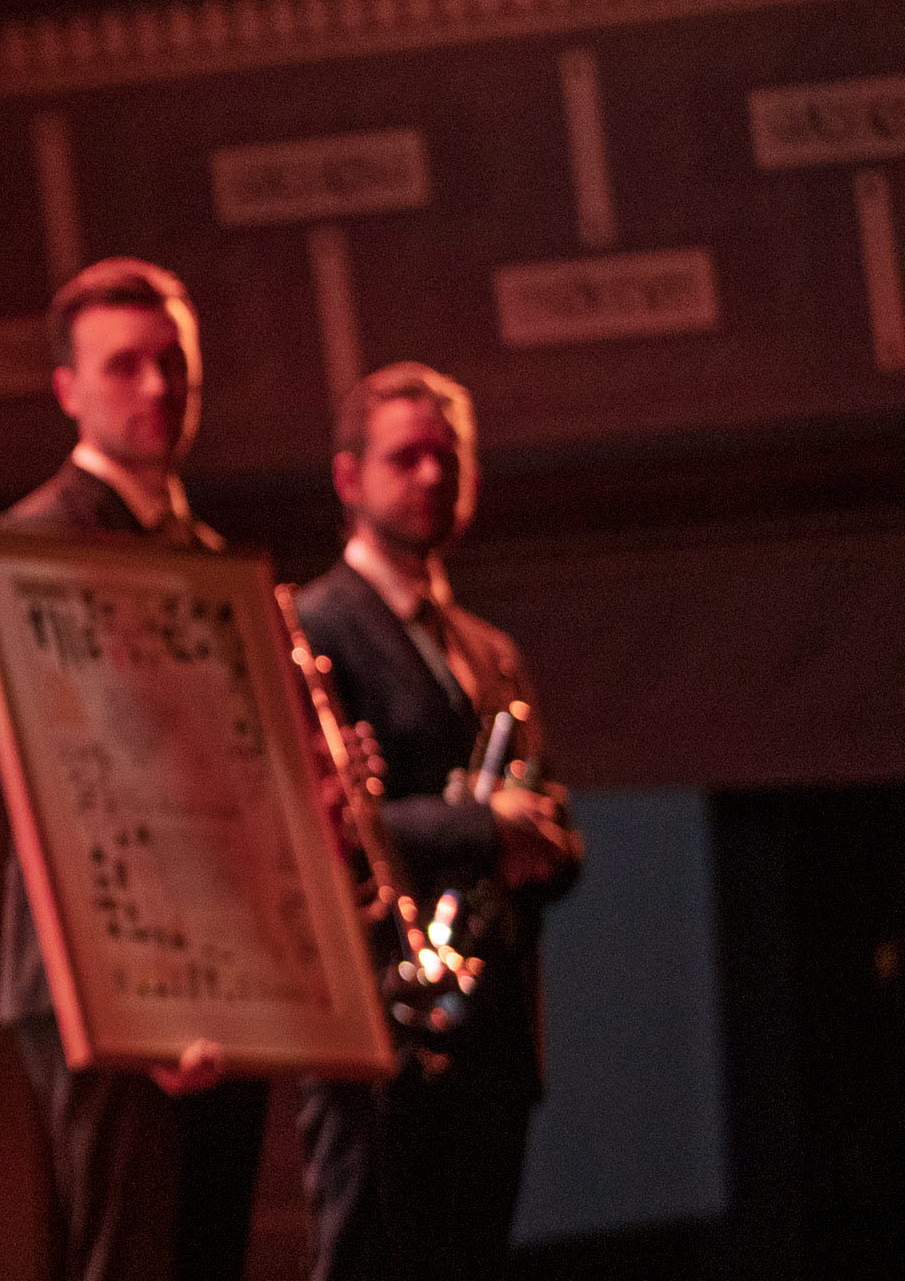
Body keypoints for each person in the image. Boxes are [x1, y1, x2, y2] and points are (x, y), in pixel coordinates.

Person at [0, 258, 265, 1281]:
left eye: (172, 364)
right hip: (99, 973)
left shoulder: (209, 553)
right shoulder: (37, 541)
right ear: (67, 388)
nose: (155, 388)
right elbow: (65, 786)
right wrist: (132, 1000)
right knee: (130, 1260)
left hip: (227, 973)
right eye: (124, 367)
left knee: (206, 1258)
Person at [292, 365, 582, 1280]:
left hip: (491, 1028)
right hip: (381, 1027)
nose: (429, 477)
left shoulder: (490, 647)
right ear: (349, 479)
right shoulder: (312, 627)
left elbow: (547, 812)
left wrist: (548, 844)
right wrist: (486, 831)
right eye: (405, 457)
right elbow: (326, 829)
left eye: (446, 459)